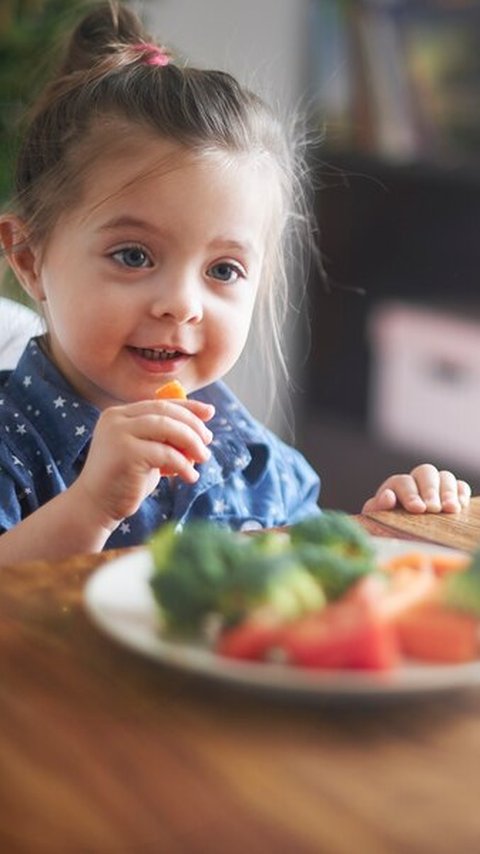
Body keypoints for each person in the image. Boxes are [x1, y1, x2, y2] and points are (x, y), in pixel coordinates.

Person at [0, 2, 470, 563]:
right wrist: (92, 507)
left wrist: (386, 528)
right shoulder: (12, 443)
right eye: (133, 255)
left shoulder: (256, 460)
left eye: (223, 270)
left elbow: (298, 594)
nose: (181, 304)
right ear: (29, 258)